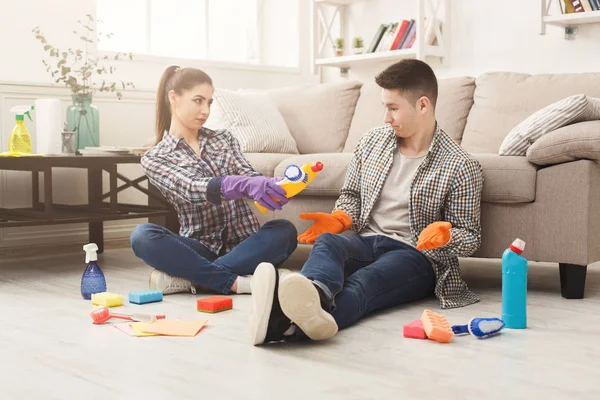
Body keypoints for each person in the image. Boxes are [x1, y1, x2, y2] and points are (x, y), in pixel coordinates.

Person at [249, 59, 484, 345]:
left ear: (423, 105)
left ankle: (285, 323)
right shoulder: (372, 141)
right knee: (329, 243)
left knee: (365, 283)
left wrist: (445, 236)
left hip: (415, 256)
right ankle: (315, 294)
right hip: (366, 241)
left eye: (394, 108)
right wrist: (341, 219)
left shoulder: (461, 165)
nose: (386, 117)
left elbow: (470, 237)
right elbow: (352, 197)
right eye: (385, 107)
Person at [130, 65, 297, 296]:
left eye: (209, 102)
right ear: (173, 98)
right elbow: (190, 188)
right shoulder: (155, 158)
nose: (205, 110)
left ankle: (193, 279)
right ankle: (238, 282)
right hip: (200, 248)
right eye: (198, 101)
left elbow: (247, 173)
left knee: (284, 230)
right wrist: (239, 184)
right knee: (142, 236)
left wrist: (269, 185)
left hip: (245, 244)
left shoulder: (224, 139)